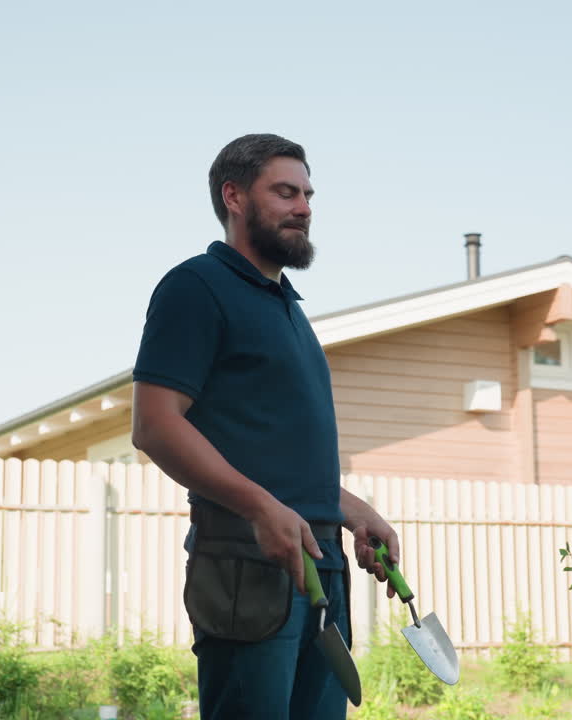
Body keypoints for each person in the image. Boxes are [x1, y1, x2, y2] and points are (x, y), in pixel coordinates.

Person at [131, 133, 401, 720]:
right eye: (284, 192)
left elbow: (277, 457)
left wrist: (352, 510)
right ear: (233, 196)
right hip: (245, 563)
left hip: (322, 562)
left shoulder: (290, 310)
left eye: (307, 193)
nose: (304, 206)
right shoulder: (196, 286)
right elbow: (154, 425)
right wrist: (259, 508)